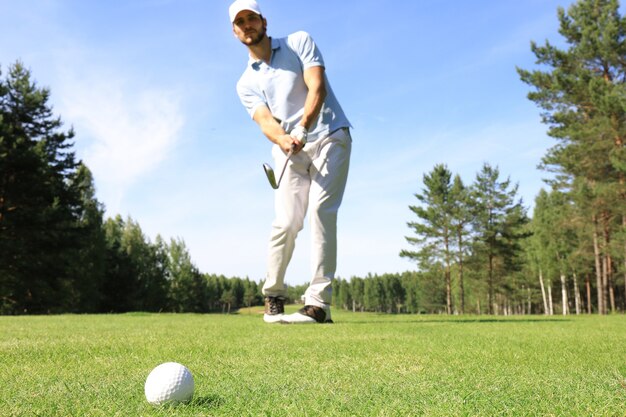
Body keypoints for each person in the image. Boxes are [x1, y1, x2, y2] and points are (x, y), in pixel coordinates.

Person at [229, 0, 352, 324]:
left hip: (329, 135)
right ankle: (273, 295)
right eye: (240, 22)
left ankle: (317, 305)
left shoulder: (299, 41)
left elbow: (317, 86)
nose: (247, 25)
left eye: (251, 18)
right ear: (235, 31)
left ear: (263, 21)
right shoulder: (245, 83)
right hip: (289, 151)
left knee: (321, 212)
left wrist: (301, 128)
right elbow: (265, 120)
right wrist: (284, 139)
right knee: (286, 223)